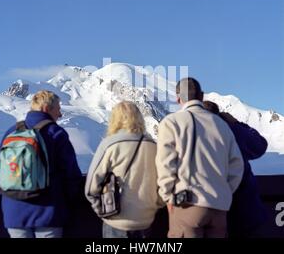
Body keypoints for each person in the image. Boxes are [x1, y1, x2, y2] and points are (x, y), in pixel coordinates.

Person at [156, 77, 244, 238]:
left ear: (178, 98)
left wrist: (168, 197)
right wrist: (223, 191)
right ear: (201, 96)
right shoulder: (221, 125)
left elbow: (165, 165)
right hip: (219, 208)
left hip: (187, 204)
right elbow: (237, 165)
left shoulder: (171, 123)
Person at [0, 90, 82, 238]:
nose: (60, 114)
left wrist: (9, 197)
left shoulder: (12, 132)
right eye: (58, 109)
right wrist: (65, 201)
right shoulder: (56, 133)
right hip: (48, 211)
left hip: (14, 212)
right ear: (46, 109)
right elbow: (71, 175)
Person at [85, 101, 164, 238]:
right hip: (146, 221)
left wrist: (101, 209)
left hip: (116, 220)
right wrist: (156, 205)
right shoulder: (153, 146)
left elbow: (92, 186)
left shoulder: (110, 144)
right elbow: (163, 182)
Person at [203, 100, 268, 237]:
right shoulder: (234, 130)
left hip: (207, 211)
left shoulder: (193, 134)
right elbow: (260, 145)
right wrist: (237, 123)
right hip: (244, 209)